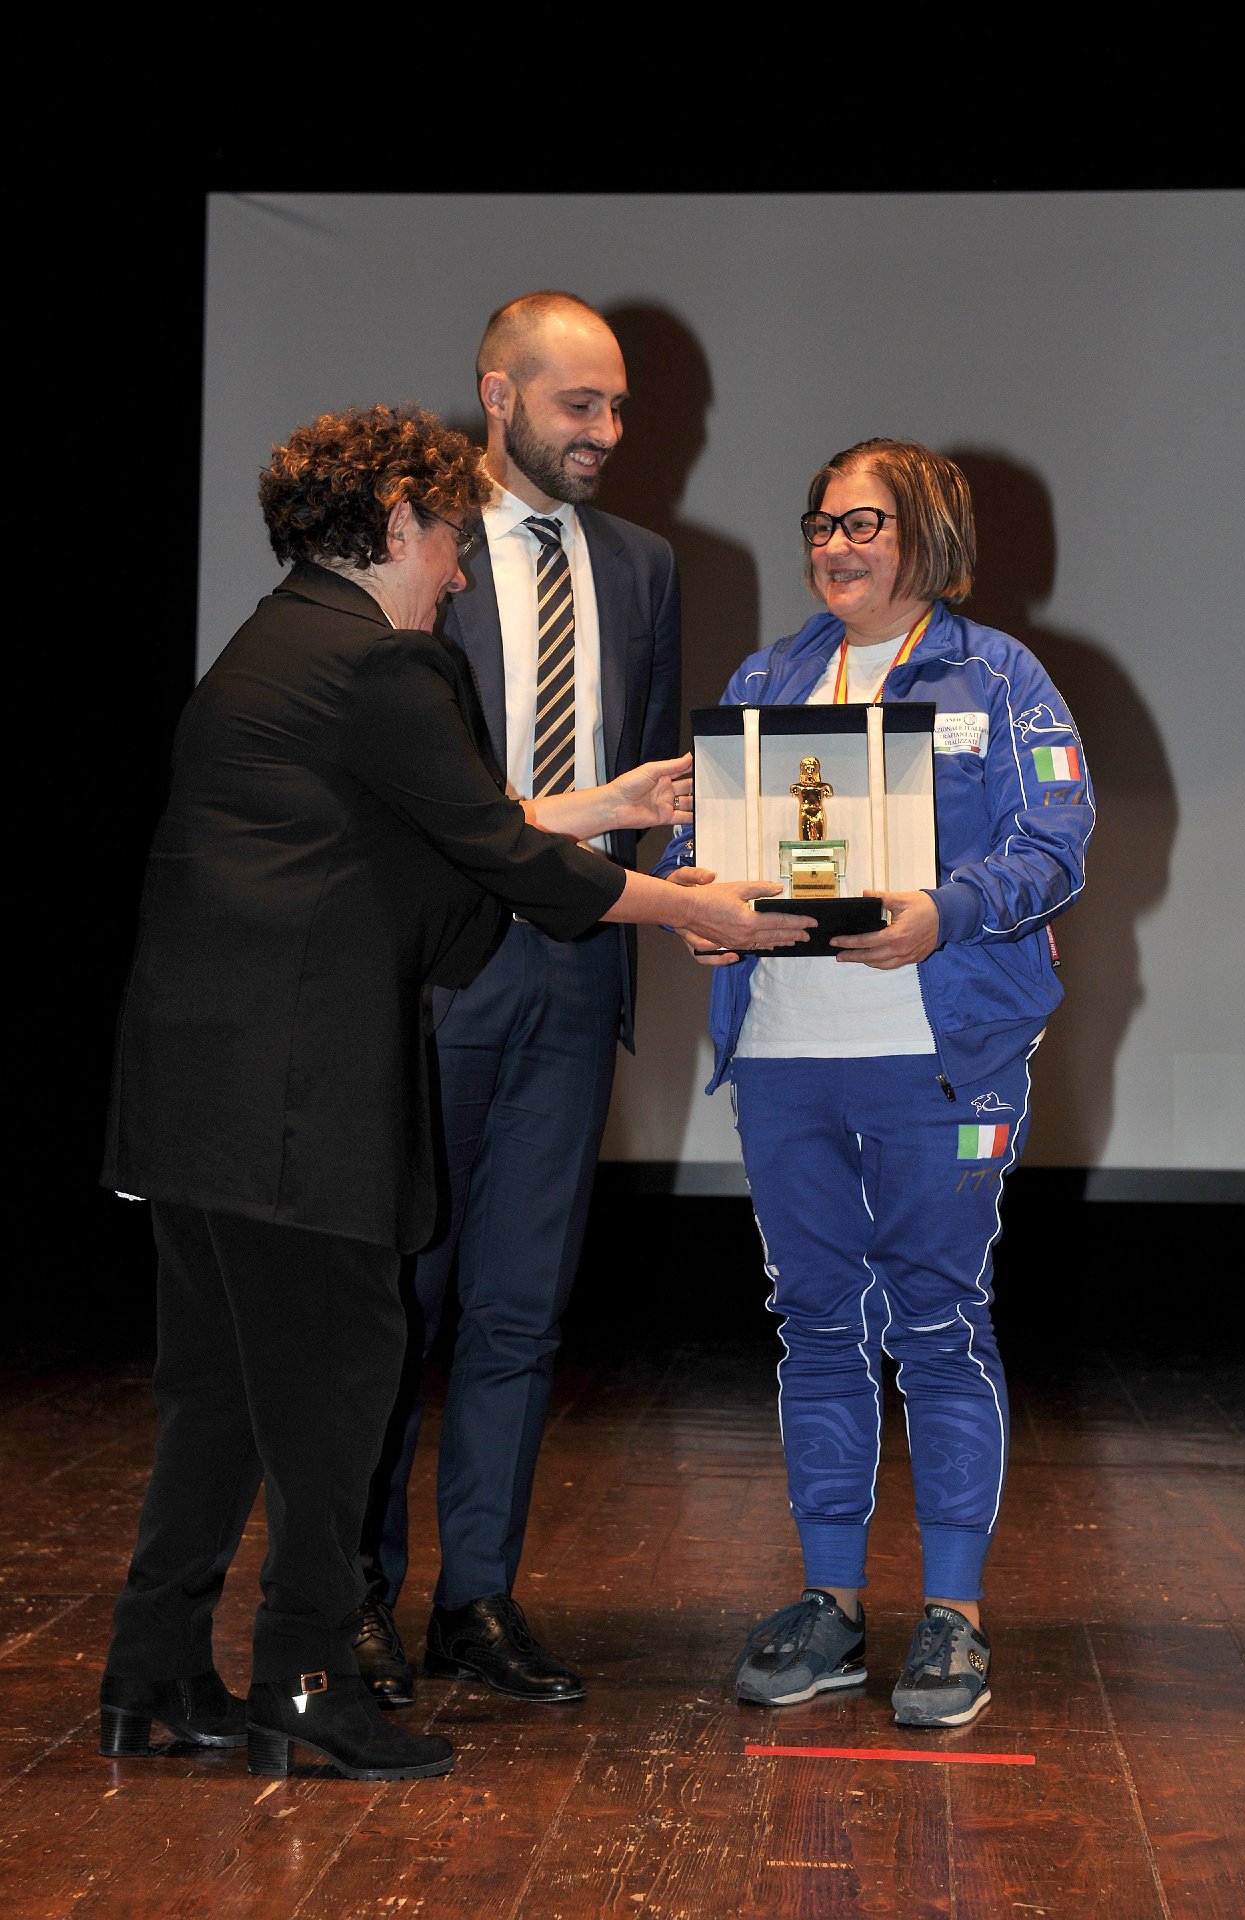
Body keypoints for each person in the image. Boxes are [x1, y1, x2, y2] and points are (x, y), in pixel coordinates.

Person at [98, 402, 810, 1784]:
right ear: (395, 526)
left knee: (220, 1391)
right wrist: (695, 906)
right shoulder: (384, 663)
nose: (463, 571)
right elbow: (499, 855)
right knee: (338, 1385)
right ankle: (306, 1679)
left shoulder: (274, 643)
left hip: (192, 1093)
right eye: (449, 540)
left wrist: (596, 813)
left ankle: (157, 1667)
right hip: (298, 1099)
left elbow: (432, 822)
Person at [655, 438, 1094, 1728]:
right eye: (820, 523)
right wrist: (693, 901)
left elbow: (1058, 840)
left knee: (940, 1323)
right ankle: (832, 1603)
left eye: (863, 524)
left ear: (927, 535)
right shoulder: (767, 677)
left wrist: (945, 910)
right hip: (786, 1050)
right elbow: (700, 834)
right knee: (813, 1323)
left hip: (936, 1052)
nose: (833, 546)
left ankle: (954, 1612)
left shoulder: (1001, 677)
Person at [354, 292, 685, 1710]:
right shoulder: (419, 545)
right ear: (499, 396)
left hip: (579, 974)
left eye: (617, 409)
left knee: (520, 1311)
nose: (605, 432)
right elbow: (397, 781)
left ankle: (475, 1599)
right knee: (398, 1302)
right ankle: (352, 1597)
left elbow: (655, 784)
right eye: (577, 406)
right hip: (439, 970)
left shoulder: (648, 565)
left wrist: (694, 897)